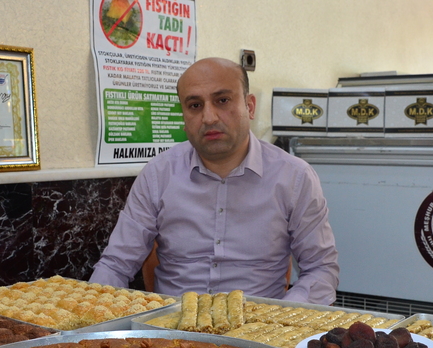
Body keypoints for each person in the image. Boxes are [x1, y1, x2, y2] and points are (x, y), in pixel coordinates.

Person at [90, 57, 339, 305]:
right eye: (195, 105)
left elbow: (321, 269)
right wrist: (91, 317)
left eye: (222, 100)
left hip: (258, 331)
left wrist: (282, 316)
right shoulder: (158, 174)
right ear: (184, 116)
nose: (209, 117)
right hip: (170, 329)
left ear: (250, 106)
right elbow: (116, 263)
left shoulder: (294, 177)